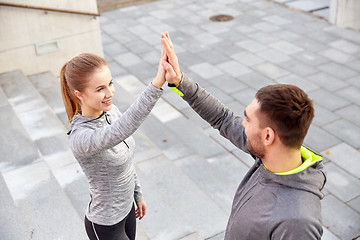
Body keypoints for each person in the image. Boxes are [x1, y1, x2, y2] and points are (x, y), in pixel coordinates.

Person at [160, 32, 327, 239]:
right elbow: (222, 118)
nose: (241, 124)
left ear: (268, 136)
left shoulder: (298, 221)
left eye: (248, 120)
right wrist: (179, 81)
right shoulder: (271, 157)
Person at [60, 47, 166, 239]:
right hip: (105, 224)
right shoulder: (80, 138)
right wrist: (157, 84)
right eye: (100, 89)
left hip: (127, 211)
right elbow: (119, 131)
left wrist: (137, 195)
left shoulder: (111, 111)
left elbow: (126, 161)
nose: (110, 93)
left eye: (110, 83)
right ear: (79, 94)